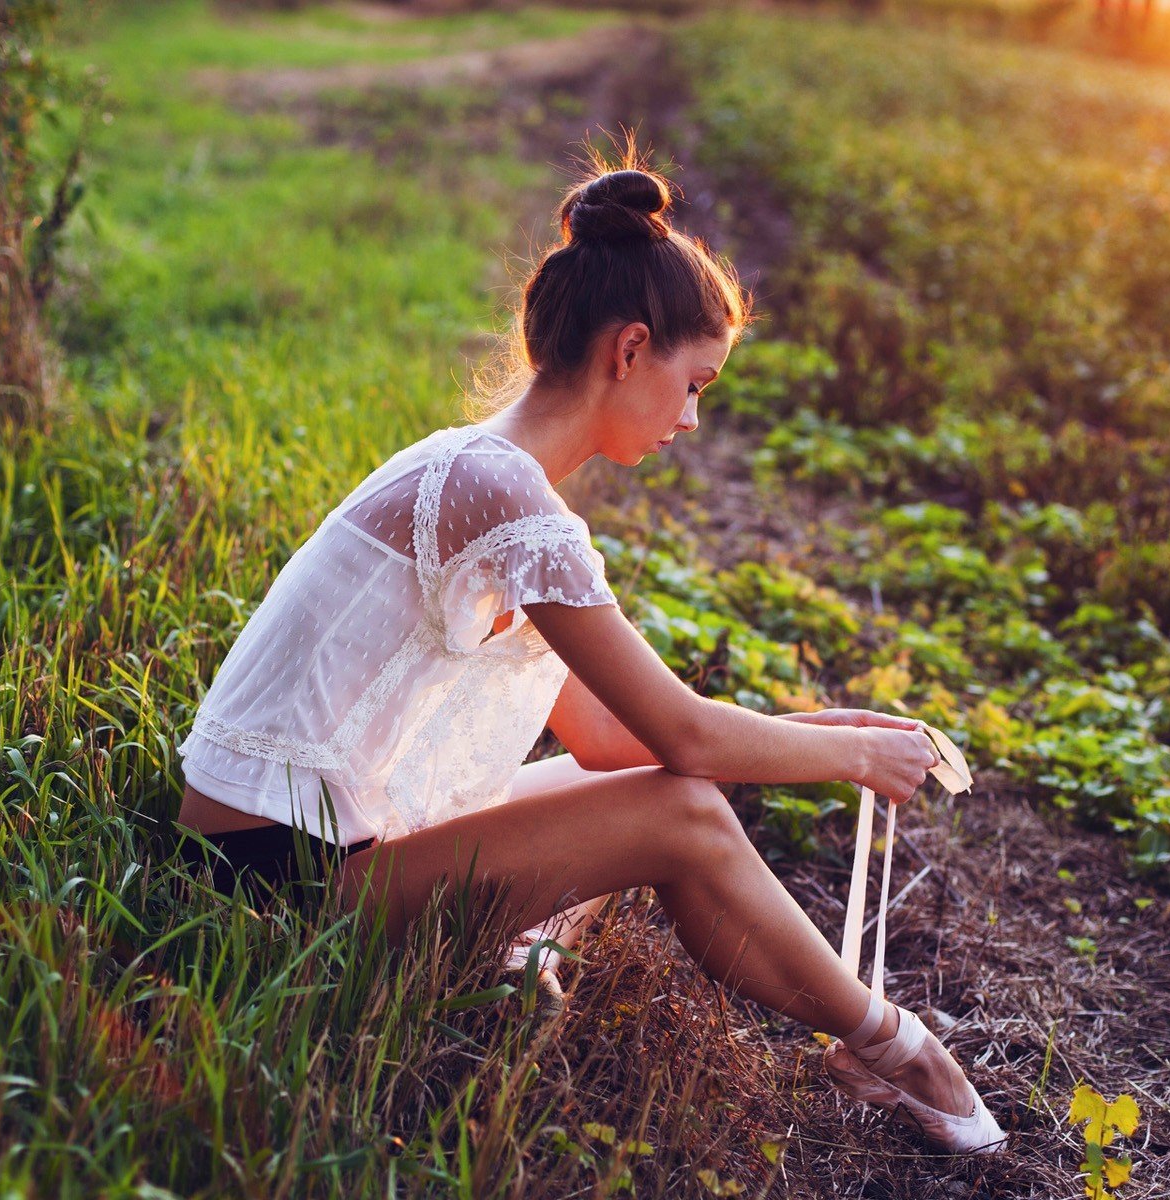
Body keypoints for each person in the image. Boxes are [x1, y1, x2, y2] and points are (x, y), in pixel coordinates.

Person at [171, 149, 1007, 1156]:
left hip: (268, 851)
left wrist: (811, 733)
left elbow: (613, 739)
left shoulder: (476, 471)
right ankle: (900, 1045)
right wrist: (852, 757)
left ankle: (508, 958)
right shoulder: (506, 495)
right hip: (274, 887)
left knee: (656, 789)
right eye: (693, 384)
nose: (691, 420)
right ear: (630, 351)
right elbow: (684, 742)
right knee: (685, 810)